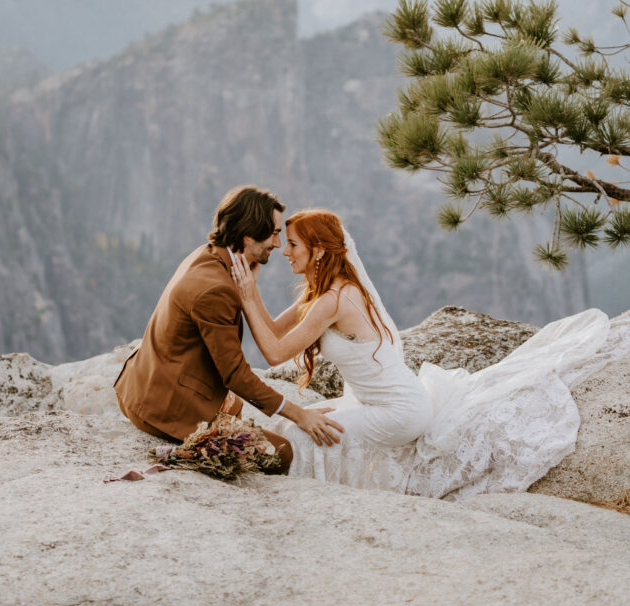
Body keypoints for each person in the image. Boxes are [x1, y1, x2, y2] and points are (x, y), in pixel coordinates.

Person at [230, 208, 613, 497]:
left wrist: (248, 296)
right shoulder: (321, 292)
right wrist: (251, 292)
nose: (284, 252)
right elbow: (275, 331)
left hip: (400, 413)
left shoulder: (334, 299)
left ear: (317, 250)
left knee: (304, 439)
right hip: (384, 403)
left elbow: (276, 353)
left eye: (293, 244)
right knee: (293, 425)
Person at [113, 186, 344, 475]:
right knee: (283, 454)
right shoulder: (216, 289)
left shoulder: (210, 256)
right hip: (164, 409)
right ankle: (187, 453)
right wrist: (299, 414)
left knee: (234, 408)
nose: (277, 243)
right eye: (273, 234)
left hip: (144, 387)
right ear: (248, 235)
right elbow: (234, 374)